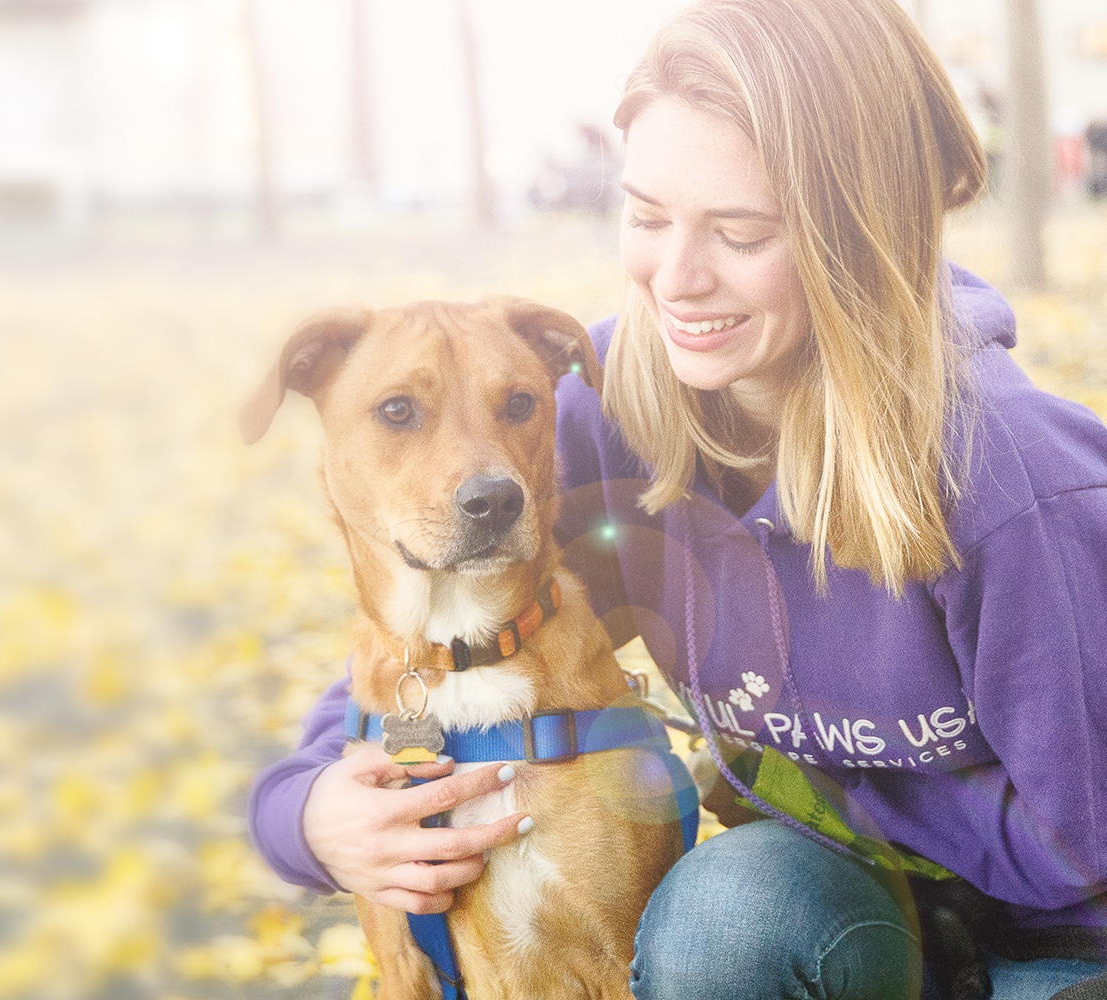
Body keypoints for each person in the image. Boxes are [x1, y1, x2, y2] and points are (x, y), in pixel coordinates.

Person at [245, 0, 1107, 997]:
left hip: (1067, 938)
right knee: (725, 916)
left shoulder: (1013, 483)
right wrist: (304, 808)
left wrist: (823, 790)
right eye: (648, 216)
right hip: (848, 901)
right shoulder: (607, 406)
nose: (677, 279)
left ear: (859, 230)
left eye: (739, 232)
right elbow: (446, 634)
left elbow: (1086, 832)